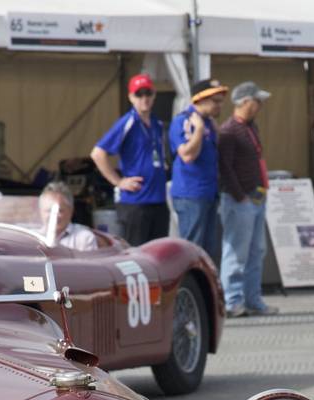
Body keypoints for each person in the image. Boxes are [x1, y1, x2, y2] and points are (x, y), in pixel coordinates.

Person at [216, 81, 275, 318]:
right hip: (241, 199)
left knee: (255, 251)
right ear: (245, 102)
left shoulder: (249, 127)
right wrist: (239, 195)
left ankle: (252, 299)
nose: (260, 105)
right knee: (236, 252)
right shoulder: (229, 130)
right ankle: (232, 301)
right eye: (257, 101)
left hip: (254, 197)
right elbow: (225, 167)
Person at [91, 74, 169, 246]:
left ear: (154, 95)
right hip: (136, 202)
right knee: (137, 254)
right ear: (131, 97)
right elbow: (98, 153)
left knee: (159, 255)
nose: (144, 99)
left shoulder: (157, 123)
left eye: (148, 93)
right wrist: (118, 181)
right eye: (139, 94)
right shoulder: (128, 122)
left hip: (158, 200)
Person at [170, 78, 226, 263]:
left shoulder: (208, 122)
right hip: (191, 195)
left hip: (208, 193)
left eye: (221, 101)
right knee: (192, 250)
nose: (220, 105)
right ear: (200, 100)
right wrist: (199, 130)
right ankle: (189, 290)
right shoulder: (186, 120)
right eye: (215, 101)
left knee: (209, 251)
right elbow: (187, 155)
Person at [37, 181, 98, 251]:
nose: (54, 216)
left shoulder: (84, 238)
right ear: (40, 212)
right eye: (48, 211)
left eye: (60, 211)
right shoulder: (32, 238)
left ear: (71, 211)